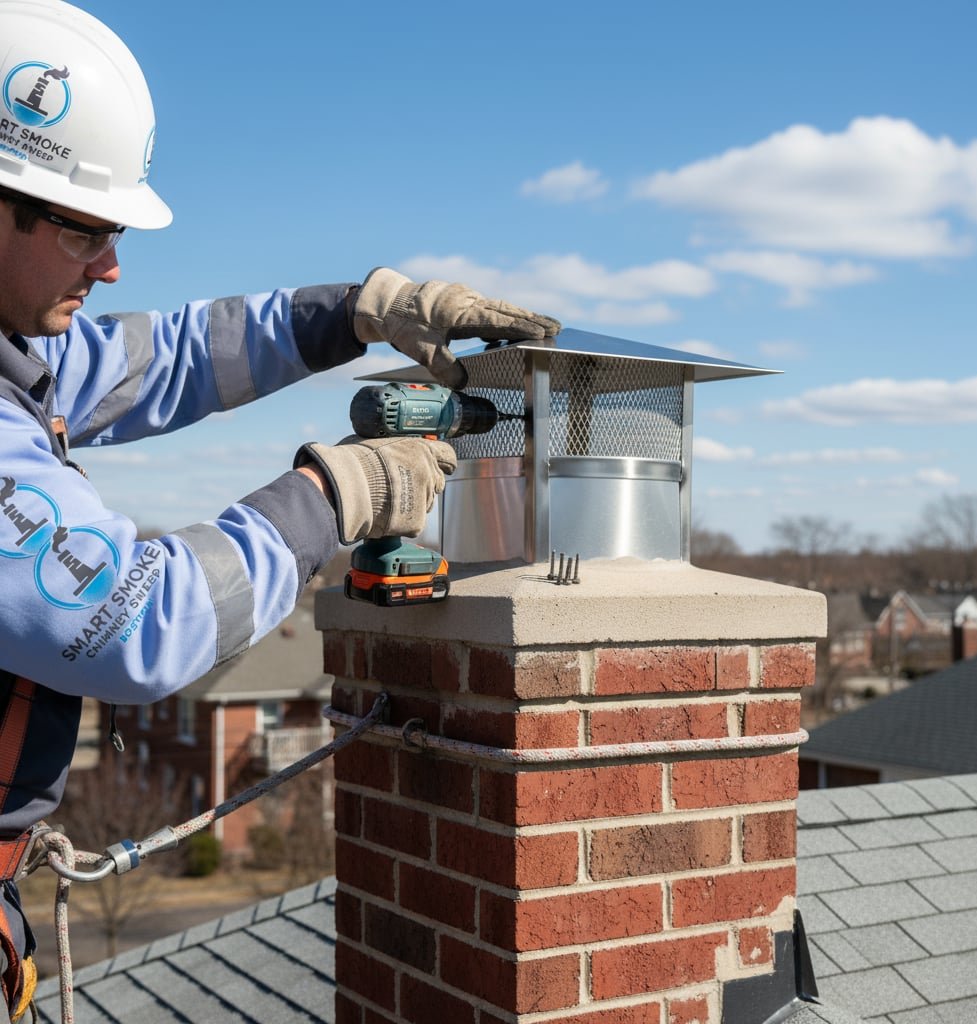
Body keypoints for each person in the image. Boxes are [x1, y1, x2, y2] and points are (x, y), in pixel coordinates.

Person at [0, 1, 560, 1018]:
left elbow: (169, 359)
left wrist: (357, 308)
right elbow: (137, 625)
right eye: (86, 227)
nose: (112, 262)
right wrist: (331, 493)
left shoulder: (20, 352)